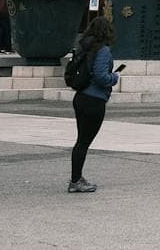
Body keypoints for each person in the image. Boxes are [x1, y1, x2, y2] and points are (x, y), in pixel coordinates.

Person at [68, 15, 119, 193]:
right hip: (94, 99)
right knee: (84, 141)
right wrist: (115, 77)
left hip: (80, 96)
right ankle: (75, 180)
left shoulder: (83, 46)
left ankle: (76, 178)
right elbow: (101, 76)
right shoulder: (102, 50)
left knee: (81, 140)